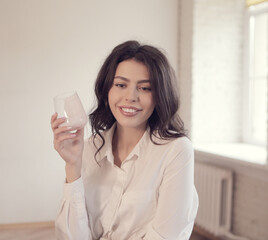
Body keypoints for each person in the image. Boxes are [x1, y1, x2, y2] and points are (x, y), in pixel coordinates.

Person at [51, 40, 198, 240]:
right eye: (121, 85)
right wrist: (72, 165)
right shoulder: (89, 148)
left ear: (160, 95)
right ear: (107, 91)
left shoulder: (176, 151)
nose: (131, 97)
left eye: (145, 88)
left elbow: (165, 236)